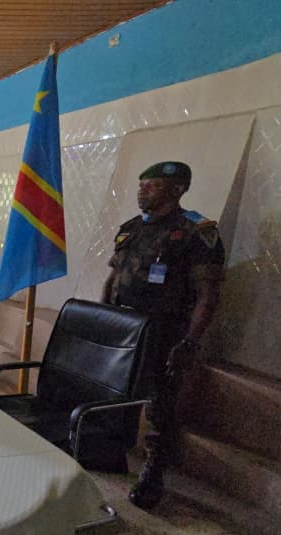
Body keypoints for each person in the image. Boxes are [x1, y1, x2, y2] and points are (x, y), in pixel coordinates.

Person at [102, 161, 224, 509]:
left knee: (161, 407)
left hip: (165, 331)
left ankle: (153, 473)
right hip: (125, 328)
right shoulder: (130, 229)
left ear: (177, 190)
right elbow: (113, 280)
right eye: (141, 185)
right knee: (116, 394)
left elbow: (207, 294)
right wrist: (103, 319)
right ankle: (109, 452)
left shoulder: (195, 232)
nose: (142, 191)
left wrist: (190, 341)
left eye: (151, 186)